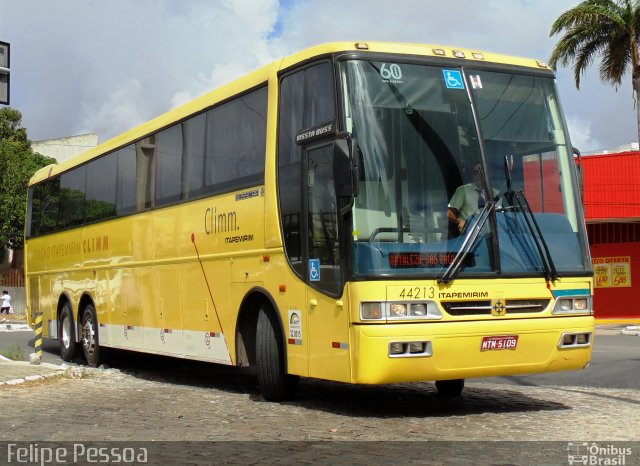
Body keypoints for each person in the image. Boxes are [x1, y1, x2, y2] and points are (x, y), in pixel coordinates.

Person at [447, 163, 499, 235]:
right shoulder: (463, 190)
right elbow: (450, 212)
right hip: (470, 238)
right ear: (472, 175)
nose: (479, 175)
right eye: (476, 173)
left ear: (489, 174)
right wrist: (461, 222)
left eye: (482, 172)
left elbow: (500, 216)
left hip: (493, 236)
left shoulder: (496, 193)